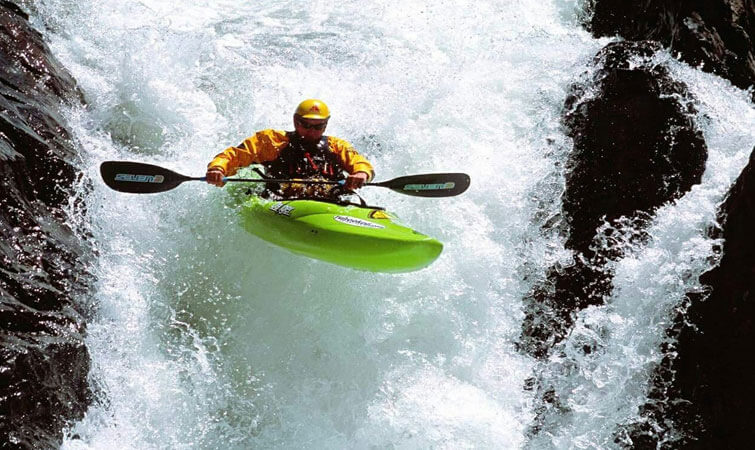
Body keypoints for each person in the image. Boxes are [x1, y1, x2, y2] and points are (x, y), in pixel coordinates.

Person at [206, 99, 374, 199]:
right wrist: (218, 169)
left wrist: (361, 174)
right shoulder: (271, 141)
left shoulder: (337, 146)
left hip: (331, 201)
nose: (311, 131)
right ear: (295, 121)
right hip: (281, 201)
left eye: (318, 126)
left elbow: (360, 163)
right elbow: (234, 155)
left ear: (326, 125)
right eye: (305, 125)